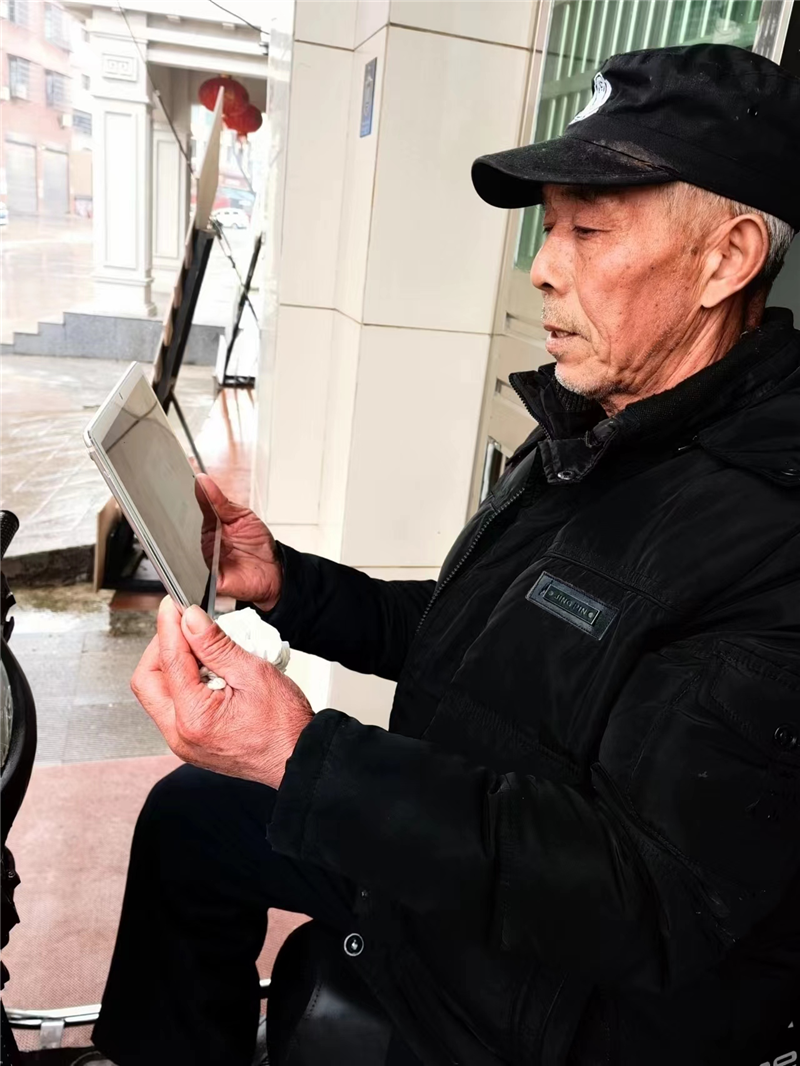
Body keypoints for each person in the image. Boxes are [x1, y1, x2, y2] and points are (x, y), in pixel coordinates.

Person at [92, 44, 800, 1066]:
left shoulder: (771, 534)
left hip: (550, 998)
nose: (542, 267)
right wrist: (285, 581)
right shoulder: (605, 426)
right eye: (547, 227)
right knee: (191, 818)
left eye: (587, 230)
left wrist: (302, 757)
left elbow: (641, 895)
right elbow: (477, 638)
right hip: (467, 858)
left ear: (725, 260)